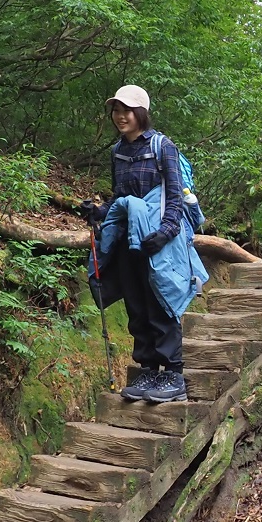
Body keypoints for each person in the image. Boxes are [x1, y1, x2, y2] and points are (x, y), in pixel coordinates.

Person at [82, 84, 206, 404]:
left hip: (157, 237)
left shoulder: (162, 146)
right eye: (116, 110)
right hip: (127, 237)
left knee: (160, 302)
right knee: (136, 304)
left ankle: (173, 375)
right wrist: (98, 212)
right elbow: (120, 197)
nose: (120, 116)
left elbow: (174, 196)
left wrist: (165, 232)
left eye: (127, 110)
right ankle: (148, 369)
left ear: (141, 113)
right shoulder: (117, 152)